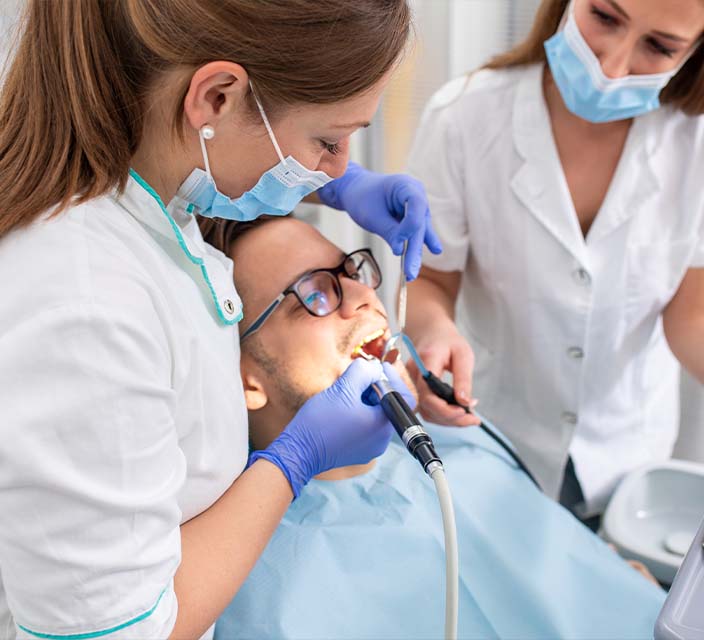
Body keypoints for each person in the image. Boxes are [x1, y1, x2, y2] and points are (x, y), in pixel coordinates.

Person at [0, 2, 442, 638]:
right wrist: (294, 460)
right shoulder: (83, 305)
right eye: (328, 141)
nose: (341, 165)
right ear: (216, 97)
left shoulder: (140, 181)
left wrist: (330, 184)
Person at [199, 215, 665, 640]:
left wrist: (615, 589)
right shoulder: (253, 589)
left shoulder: (456, 443)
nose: (364, 297)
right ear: (243, 378)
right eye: (315, 294)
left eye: (352, 272)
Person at [405, 0, 704, 527]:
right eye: (604, 17)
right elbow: (430, 279)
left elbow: (690, 314)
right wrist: (435, 332)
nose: (611, 67)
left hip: (628, 464)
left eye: (659, 47)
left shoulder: (694, 143)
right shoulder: (465, 117)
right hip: (491, 440)